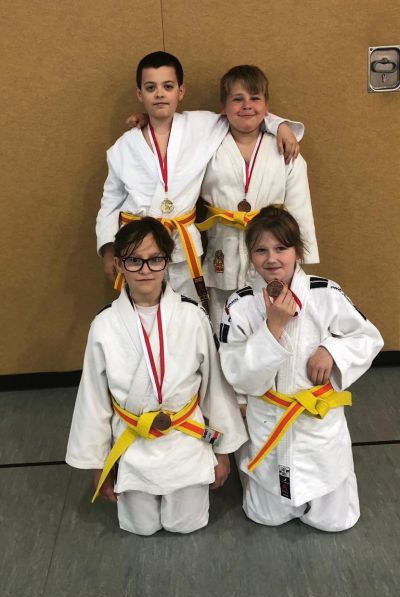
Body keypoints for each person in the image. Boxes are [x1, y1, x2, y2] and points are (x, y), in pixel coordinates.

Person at [66, 217, 247, 536]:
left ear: (168, 261)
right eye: (134, 260)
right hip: (133, 441)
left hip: (185, 438)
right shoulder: (104, 325)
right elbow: (93, 401)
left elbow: (215, 390)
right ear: (119, 265)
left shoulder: (192, 316)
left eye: (155, 259)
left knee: (185, 524)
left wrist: (222, 453)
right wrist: (99, 466)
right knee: (141, 526)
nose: (145, 269)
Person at [219, 205, 383, 532]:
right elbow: (237, 373)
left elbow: (368, 337)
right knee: (265, 516)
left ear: (298, 250)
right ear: (250, 255)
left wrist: (332, 350)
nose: (272, 259)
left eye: (281, 248)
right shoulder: (239, 304)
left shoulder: (326, 293)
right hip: (268, 420)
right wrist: (273, 328)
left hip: (316, 424)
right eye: (261, 250)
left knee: (335, 521)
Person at [96, 51, 303, 309]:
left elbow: (244, 114)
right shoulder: (123, 147)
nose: (159, 94)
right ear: (140, 94)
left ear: (180, 92)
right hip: (138, 248)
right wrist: (108, 248)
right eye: (151, 88)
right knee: (142, 309)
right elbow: (110, 202)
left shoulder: (201, 125)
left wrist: (281, 126)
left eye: (168, 86)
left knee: (189, 310)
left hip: (183, 247)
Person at [198, 65, 319, 330]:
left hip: (271, 248)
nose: (247, 106)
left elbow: (299, 209)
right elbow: (175, 128)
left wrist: (299, 259)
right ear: (223, 107)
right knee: (223, 319)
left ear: (267, 106)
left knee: (272, 314)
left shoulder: (284, 149)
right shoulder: (206, 146)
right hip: (223, 245)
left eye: (255, 98)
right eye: (237, 99)